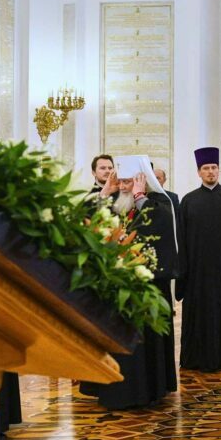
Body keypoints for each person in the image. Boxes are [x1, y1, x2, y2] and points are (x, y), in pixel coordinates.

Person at [91, 172, 178, 410]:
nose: (123, 186)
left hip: (145, 288)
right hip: (115, 287)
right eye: (120, 181)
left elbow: (160, 225)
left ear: (142, 183)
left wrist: (140, 197)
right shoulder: (114, 203)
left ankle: (144, 391)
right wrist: (104, 193)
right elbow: (90, 223)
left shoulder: (157, 203)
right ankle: (115, 390)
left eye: (128, 181)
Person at [178, 147, 221, 372]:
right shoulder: (188, 201)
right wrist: (183, 270)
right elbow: (182, 238)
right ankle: (196, 358)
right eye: (206, 168)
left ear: (218, 170)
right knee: (201, 313)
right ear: (199, 172)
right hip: (198, 271)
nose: (211, 172)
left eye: (214, 167)